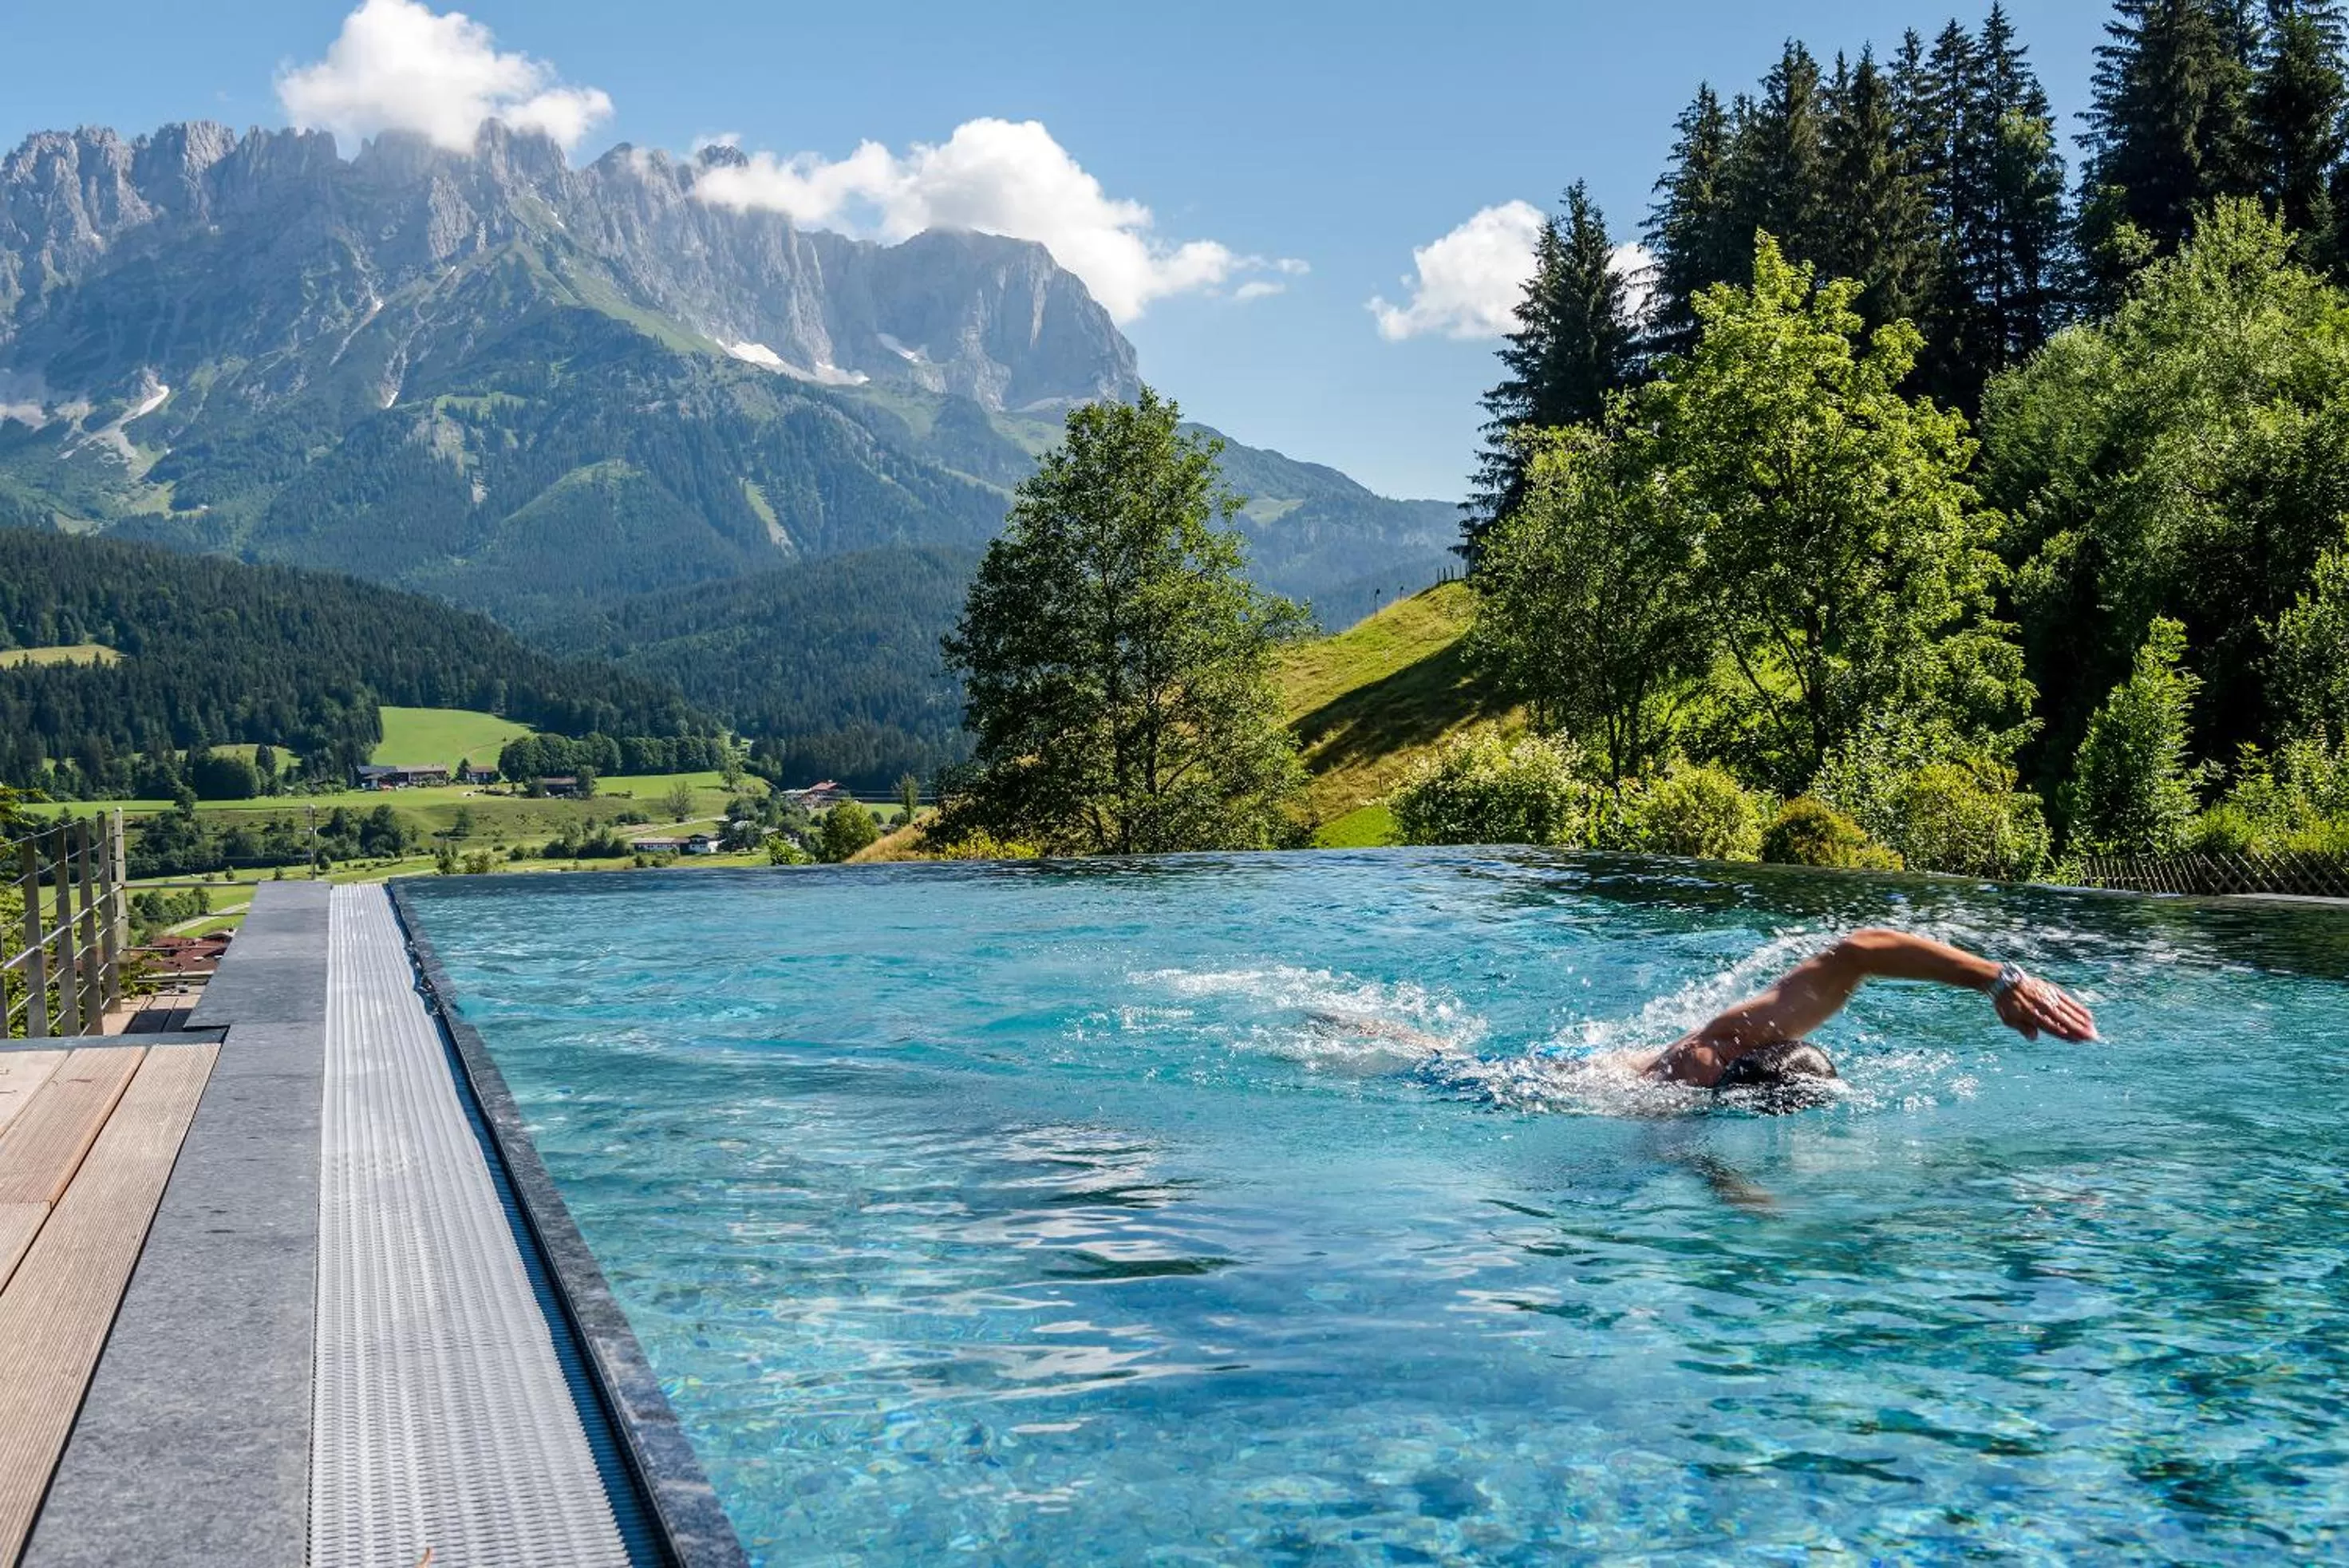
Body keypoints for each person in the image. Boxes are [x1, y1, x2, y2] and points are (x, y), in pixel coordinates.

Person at [1627, 926, 2097, 1092]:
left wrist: (1997, 980)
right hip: (1582, 1082)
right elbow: (1686, 1155)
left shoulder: (1762, 1031)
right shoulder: (1705, 1064)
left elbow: (1861, 950)